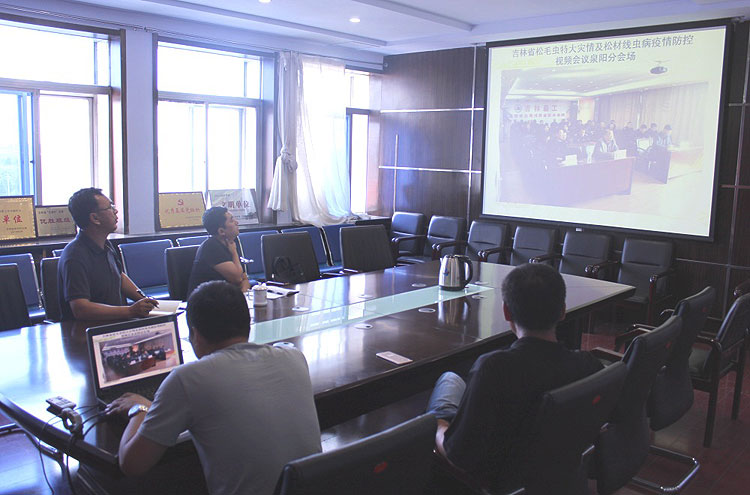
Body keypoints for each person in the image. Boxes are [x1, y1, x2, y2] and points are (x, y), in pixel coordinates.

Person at [106, 281, 322, 495]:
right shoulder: (294, 357)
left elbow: (132, 464)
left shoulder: (187, 379)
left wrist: (140, 410)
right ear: (247, 324)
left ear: (195, 335)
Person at [426, 263, 603, 491]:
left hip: (490, 481)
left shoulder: (493, 369)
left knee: (447, 384)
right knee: (451, 380)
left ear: (506, 312)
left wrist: (438, 426)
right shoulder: (587, 365)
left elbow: (458, 457)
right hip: (554, 473)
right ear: (562, 311)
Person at [58, 187, 158, 321]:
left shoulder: (105, 244)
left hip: (115, 322)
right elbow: (81, 309)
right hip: (89, 329)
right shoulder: (74, 255)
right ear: (95, 218)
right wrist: (130, 311)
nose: (116, 211)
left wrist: (145, 300)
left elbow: (119, 276)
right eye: (110, 208)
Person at [186, 206, 251, 299]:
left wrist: (243, 297)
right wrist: (234, 253)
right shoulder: (211, 247)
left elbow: (244, 278)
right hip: (207, 301)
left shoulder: (231, 241)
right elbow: (237, 278)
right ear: (221, 231)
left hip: (227, 298)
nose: (237, 222)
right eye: (232, 221)